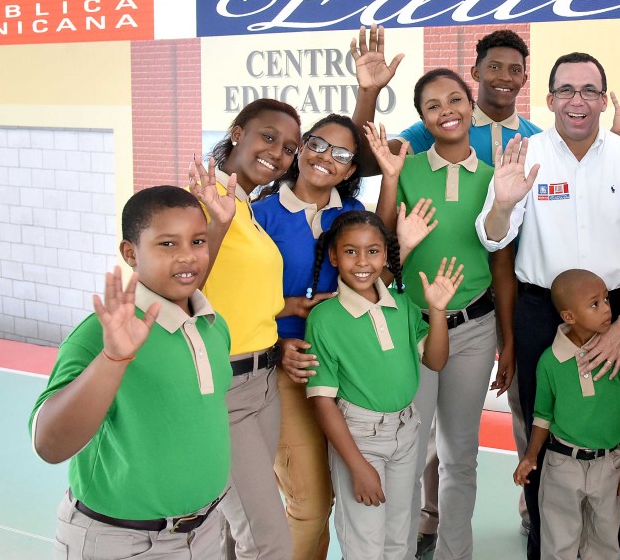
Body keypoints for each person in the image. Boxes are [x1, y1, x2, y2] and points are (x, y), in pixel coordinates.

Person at [476, 51, 620, 560]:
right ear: (550, 98)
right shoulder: (524, 154)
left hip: (616, 308)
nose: (577, 101)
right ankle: (544, 546)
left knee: (609, 427)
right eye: (566, 91)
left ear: (602, 99)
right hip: (541, 312)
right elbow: (494, 240)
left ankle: (603, 547)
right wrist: (505, 202)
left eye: (588, 91)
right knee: (545, 433)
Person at [32, 186, 233, 560]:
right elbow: (48, 444)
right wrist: (113, 359)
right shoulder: (98, 335)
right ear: (130, 253)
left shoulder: (212, 325)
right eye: (168, 245)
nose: (187, 256)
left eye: (198, 241)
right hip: (122, 542)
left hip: (205, 533)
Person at [369, 68, 512, 560]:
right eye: (433, 105)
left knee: (460, 457)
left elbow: (502, 266)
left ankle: (456, 553)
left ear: (472, 107)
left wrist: (507, 340)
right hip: (412, 330)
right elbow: (380, 254)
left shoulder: (496, 180)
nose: (446, 110)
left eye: (455, 100)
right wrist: (390, 180)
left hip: (473, 329)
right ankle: (401, 551)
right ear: (422, 118)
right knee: (407, 456)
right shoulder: (404, 170)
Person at [304, 210, 461, 560]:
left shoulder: (402, 304)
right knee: (365, 545)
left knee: (398, 537)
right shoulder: (324, 319)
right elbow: (323, 402)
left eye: (373, 251)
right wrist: (358, 466)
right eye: (350, 251)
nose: (363, 262)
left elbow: (435, 361)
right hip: (358, 439)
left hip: (407, 431)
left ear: (386, 255)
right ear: (333, 255)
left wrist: (436, 311)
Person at [251, 114, 364, 560]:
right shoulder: (258, 215)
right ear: (301, 148)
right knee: (308, 503)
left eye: (341, 154)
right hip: (287, 371)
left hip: (343, 371)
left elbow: (375, 278)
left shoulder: (353, 217)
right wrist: (280, 338)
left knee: (327, 500)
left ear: (351, 170)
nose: (325, 158)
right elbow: (230, 300)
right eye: (317, 144)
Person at [198, 98, 303, 560]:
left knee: (230, 531)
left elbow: (237, 288)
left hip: (264, 382)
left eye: (289, 148)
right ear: (237, 132)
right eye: (268, 137)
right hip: (227, 386)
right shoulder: (199, 201)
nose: (279, 153)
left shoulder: (246, 208)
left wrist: (290, 307)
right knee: (269, 542)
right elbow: (177, 293)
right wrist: (214, 224)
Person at [513, 269, 620, 560]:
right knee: (558, 546)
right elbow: (542, 417)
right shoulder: (549, 362)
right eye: (594, 304)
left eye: (607, 299)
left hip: (609, 465)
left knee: (604, 547)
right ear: (569, 316)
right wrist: (531, 455)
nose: (607, 308)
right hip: (562, 466)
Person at [350, 25, 542, 166]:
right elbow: (364, 163)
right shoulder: (440, 127)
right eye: (494, 67)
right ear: (476, 73)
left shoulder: (537, 139)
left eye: (515, 70)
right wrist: (369, 91)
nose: (505, 77)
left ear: (524, 79)